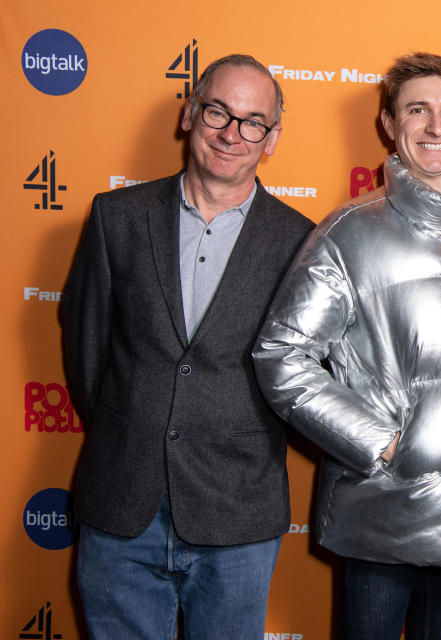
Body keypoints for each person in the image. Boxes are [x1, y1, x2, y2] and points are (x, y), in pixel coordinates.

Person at [252, 52, 441, 640]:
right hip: (382, 513)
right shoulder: (348, 232)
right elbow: (282, 355)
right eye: (418, 110)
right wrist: (380, 444)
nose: (437, 127)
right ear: (388, 123)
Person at [60, 54, 314, 640]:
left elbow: (303, 376)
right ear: (189, 113)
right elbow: (88, 353)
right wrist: (134, 424)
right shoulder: (115, 217)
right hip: (122, 501)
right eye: (218, 112)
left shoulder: (301, 240)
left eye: (253, 122)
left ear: (271, 139)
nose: (232, 134)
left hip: (239, 511)